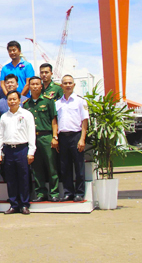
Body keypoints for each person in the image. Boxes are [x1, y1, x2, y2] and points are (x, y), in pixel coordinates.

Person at [0, 91, 36, 215]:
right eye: (10, 99)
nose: (12, 101)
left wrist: (31, 151)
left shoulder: (27, 114)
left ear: (19, 100)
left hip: (22, 149)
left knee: (23, 177)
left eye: (14, 99)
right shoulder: (4, 116)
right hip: (8, 150)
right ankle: (14, 204)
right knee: (11, 179)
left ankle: (24, 204)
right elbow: (0, 135)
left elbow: (31, 133)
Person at [23, 76, 60, 202]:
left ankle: (54, 193)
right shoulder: (26, 104)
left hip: (46, 136)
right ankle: (40, 193)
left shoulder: (49, 101)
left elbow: (53, 120)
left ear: (41, 86)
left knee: (51, 166)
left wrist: (55, 137)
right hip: (32, 139)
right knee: (36, 167)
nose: (34, 86)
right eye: (32, 84)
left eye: (37, 84)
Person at [56, 74, 89, 202]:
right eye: (65, 83)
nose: (68, 85)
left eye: (70, 83)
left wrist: (82, 139)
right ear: (61, 86)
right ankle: (68, 192)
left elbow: (84, 122)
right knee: (65, 167)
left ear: (74, 85)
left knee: (79, 166)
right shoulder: (58, 103)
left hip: (76, 136)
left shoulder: (81, 101)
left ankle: (79, 193)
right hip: (63, 137)